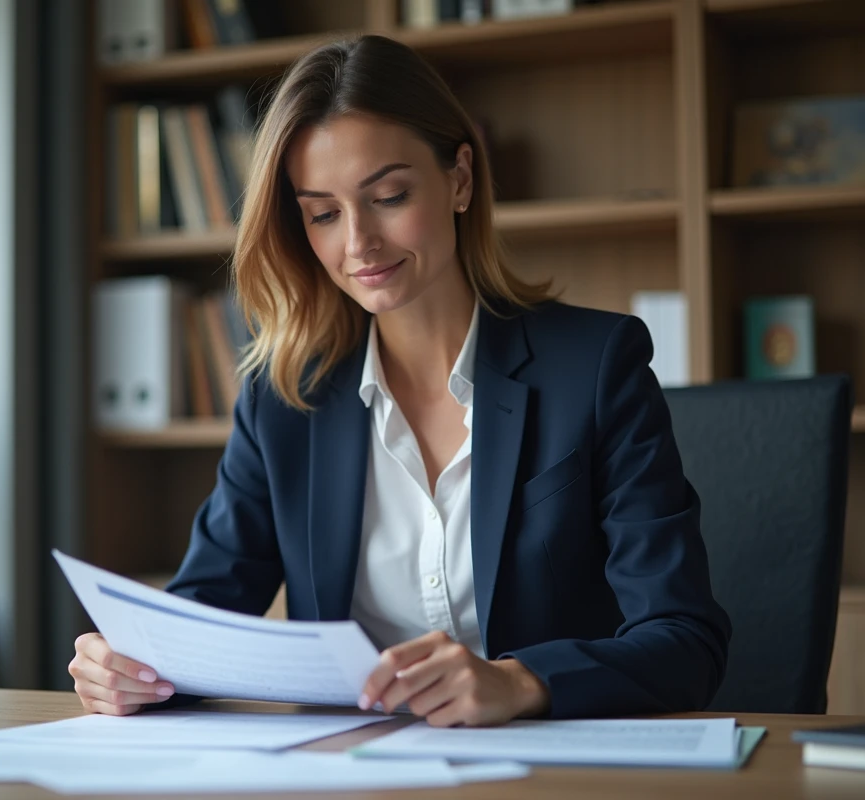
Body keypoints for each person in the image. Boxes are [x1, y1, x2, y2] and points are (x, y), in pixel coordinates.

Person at [71, 34, 731, 727]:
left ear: (460, 179)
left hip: (548, 770)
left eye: (387, 196)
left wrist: (520, 682)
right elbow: (198, 626)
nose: (358, 242)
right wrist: (130, 667)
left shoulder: (595, 367)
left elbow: (686, 643)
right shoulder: (284, 396)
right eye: (323, 213)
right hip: (351, 772)